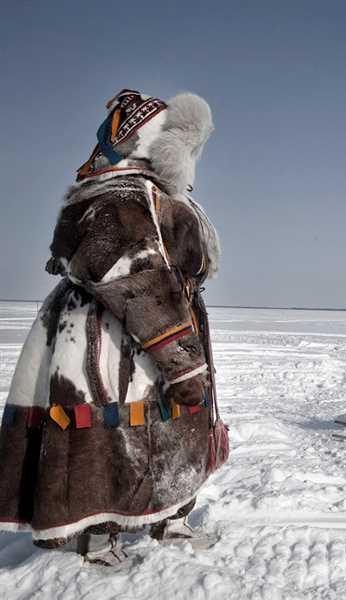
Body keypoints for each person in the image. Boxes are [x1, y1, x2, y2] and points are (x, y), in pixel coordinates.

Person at [0, 89, 225, 565]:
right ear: (157, 145)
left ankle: (168, 517)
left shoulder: (136, 192)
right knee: (112, 433)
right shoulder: (120, 198)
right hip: (116, 338)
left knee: (162, 428)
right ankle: (101, 537)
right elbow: (137, 279)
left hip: (136, 326)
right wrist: (180, 360)